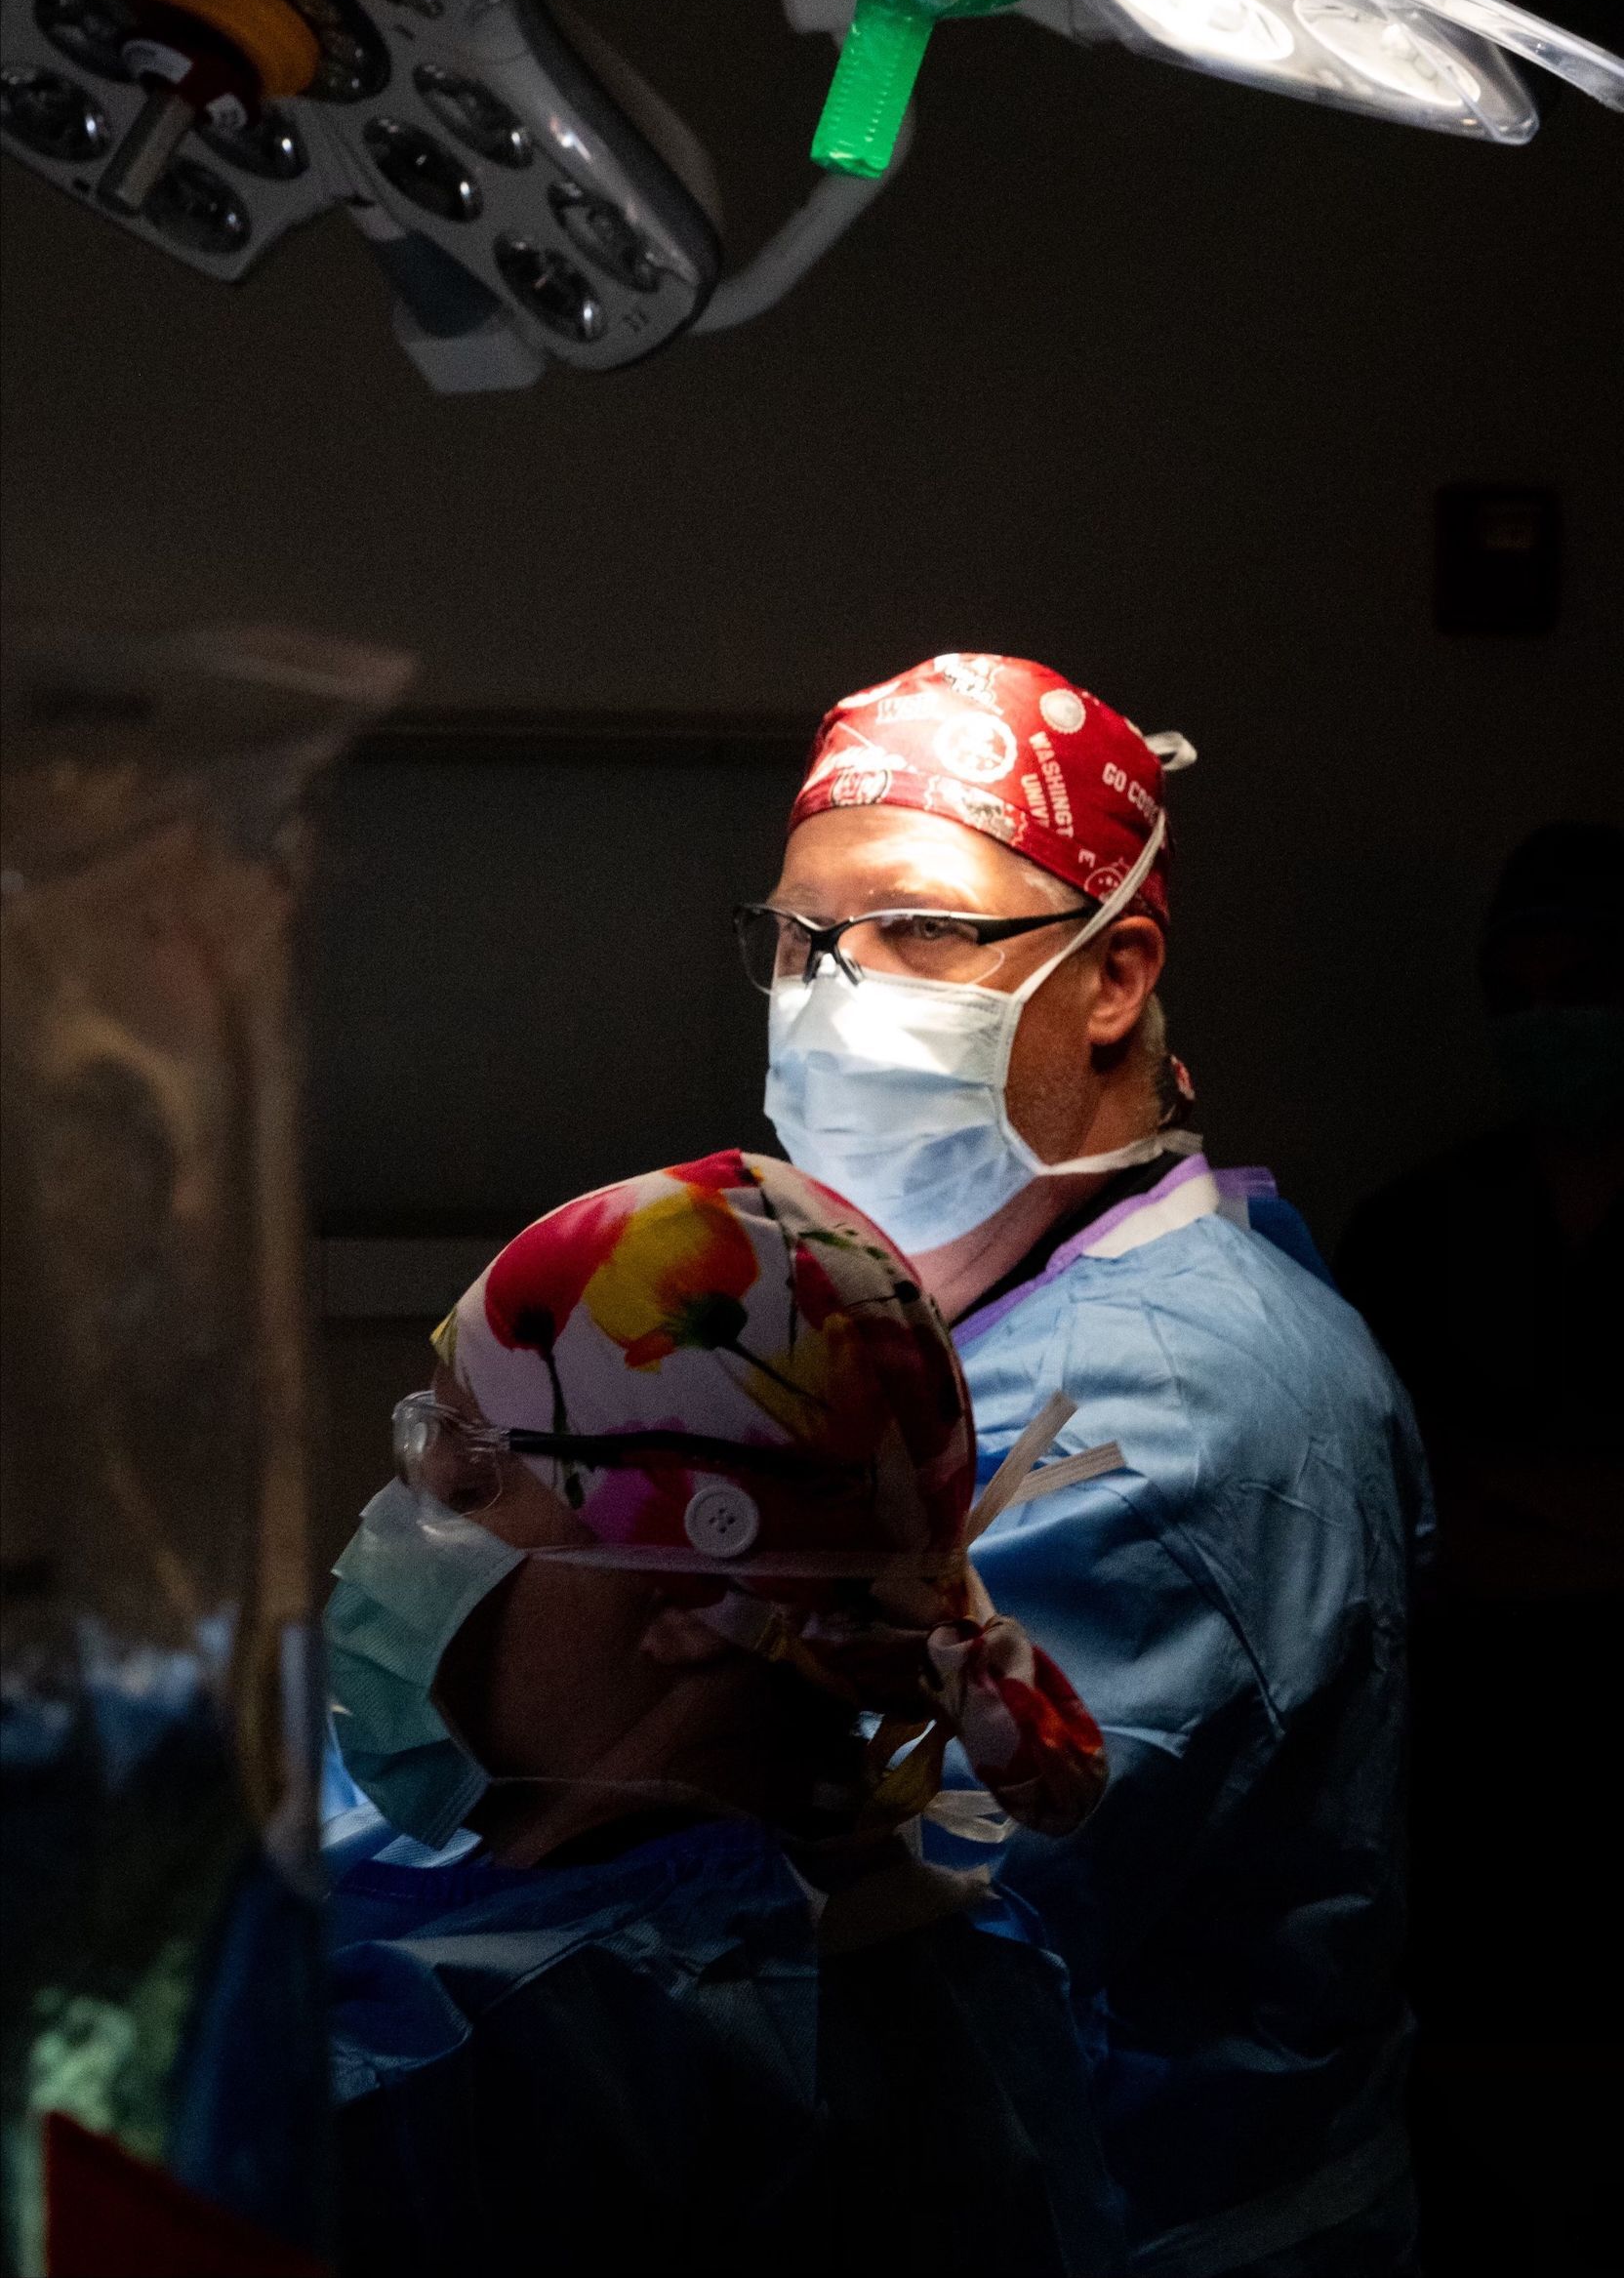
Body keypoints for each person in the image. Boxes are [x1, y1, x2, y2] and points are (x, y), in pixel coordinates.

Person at [738, 652, 1432, 2277]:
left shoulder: (1162, 1407)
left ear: (1113, 974)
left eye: (918, 928)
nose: (834, 993)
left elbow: (828, 1935)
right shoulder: (1001, 1307)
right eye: (797, 939)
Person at [322, 1149, 1116, 2278]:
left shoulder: (510, 2073)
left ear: (693, 1602)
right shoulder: (947, 1945)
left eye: (465, 1489)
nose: (393, 1534)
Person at [1337, 824, 1624, 2275]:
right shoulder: (1418, 1230)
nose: (1548, 1025)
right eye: (1518, 996)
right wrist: (1609, 1522)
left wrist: (1494, 1487)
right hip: (1473, 1825)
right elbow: (1396, 1522)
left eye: (1578, 988)